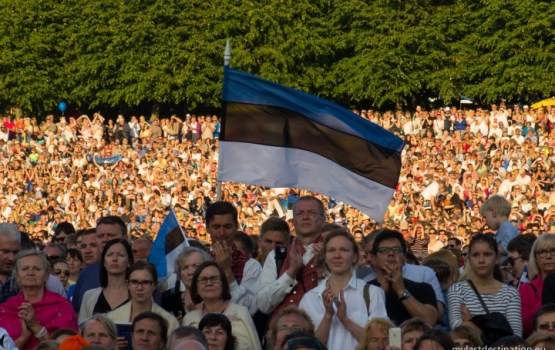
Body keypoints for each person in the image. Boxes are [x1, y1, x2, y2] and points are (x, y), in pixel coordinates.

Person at [299, 228, 387, 349]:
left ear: (355, 257)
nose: (337, 256)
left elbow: (380, 344)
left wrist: (345, 320)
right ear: (325, 257)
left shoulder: (373, 293)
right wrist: (328, 316)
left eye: (344, 250)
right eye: (331, 250)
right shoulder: (310, 298)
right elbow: (308, 347)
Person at [257, 196, 326, 314]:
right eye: (299, 213)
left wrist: (322, 272)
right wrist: (291, 272)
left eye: (311, 213)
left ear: (323, 220)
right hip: (282, 330)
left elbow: (341, 302)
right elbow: (263, 305)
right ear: (293, 221)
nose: (305, 217)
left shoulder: (335, 254)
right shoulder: (276, 255)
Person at [448, 234, 522, 339]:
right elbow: (457, 330)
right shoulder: (457, 290)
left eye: (487, 254)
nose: (481, 260)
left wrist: (471, 325)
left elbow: (515, 337)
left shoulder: (511, 294)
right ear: (469, 259)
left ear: (497, 258)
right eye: (475, 255)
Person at [0, 250, 78, 350]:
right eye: (25, 269)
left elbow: (70, 347)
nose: (30, 273)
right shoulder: (5, 309)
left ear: (46, 275)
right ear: (17, 276)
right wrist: (23, 339)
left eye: (36, 269)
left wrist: (36, 327)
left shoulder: (62, 306)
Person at [182, 261, 261, 350]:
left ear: (223, 284)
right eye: (203, 280)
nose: (208, 283)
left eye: (214, 279)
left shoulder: (241, 313)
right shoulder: (190, 319)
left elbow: (256, 346)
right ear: (196, 286)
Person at [367, 229, 438, 325]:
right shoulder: (364, 290)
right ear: (374, 259)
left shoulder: (423, 288)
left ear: (404, 258)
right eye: (384, 250)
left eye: (397, 250)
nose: (391, 253)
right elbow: (361, 321)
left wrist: (401, 290)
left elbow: (430, 320)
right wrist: (381, 292)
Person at [204, 201, 261, 315]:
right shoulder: (199, 260)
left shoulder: (250, 265)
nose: (222, 232)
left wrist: (227, 271)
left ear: (236, 226)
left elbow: (249, 308)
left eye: (227, 226)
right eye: (216, 227)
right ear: (207, 228)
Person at [106, 261, 180, 336]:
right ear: (128, 284)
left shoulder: (169, 322)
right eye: (134, 282)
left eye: (145, 282)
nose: (139, 288)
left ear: (155, 285)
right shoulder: (111, 318)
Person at [72, 216, 128, 312]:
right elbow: (77, 312)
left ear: (125, 238)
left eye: (111, 235)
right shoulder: (86, 274)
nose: (105, 239)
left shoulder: (140, 273)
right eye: (100, 236)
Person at [79, 238, 133, 324]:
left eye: (120, 255)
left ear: (129, 262)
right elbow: (82, 329)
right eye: (110, 255)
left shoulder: (137, 294)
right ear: (104, 262)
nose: (114, 259)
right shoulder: (89, 296)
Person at [162, 247, 213, 320]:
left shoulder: (216, 299)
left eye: (196, 266)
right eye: (185, 267)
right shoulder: (167, 301)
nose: (190, 272)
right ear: (179, 272)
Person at [520, 233, 555, 336]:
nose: (548, 256)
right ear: (535, 258)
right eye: (543, 252)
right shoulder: (525, 289)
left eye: (553, 251)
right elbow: (525, 326)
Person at [479, 195, 519, 259]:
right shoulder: (503, 229)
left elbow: (511, 250)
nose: (485, 222)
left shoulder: (508, 228)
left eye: (485, 217)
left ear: (494, 213)